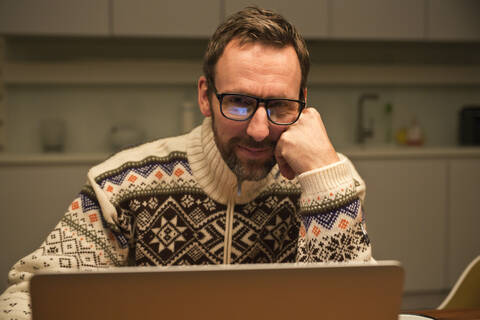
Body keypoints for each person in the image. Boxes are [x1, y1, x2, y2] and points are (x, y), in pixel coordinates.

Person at [0, 6, 372, 319]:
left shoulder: (327, 181)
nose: (259, 131)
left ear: (303, 101)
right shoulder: (122, 184)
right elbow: (27, 297)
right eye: (238, 103)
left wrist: (326, 179)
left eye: (279, 106)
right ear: (205, 96)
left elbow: (353, 308)